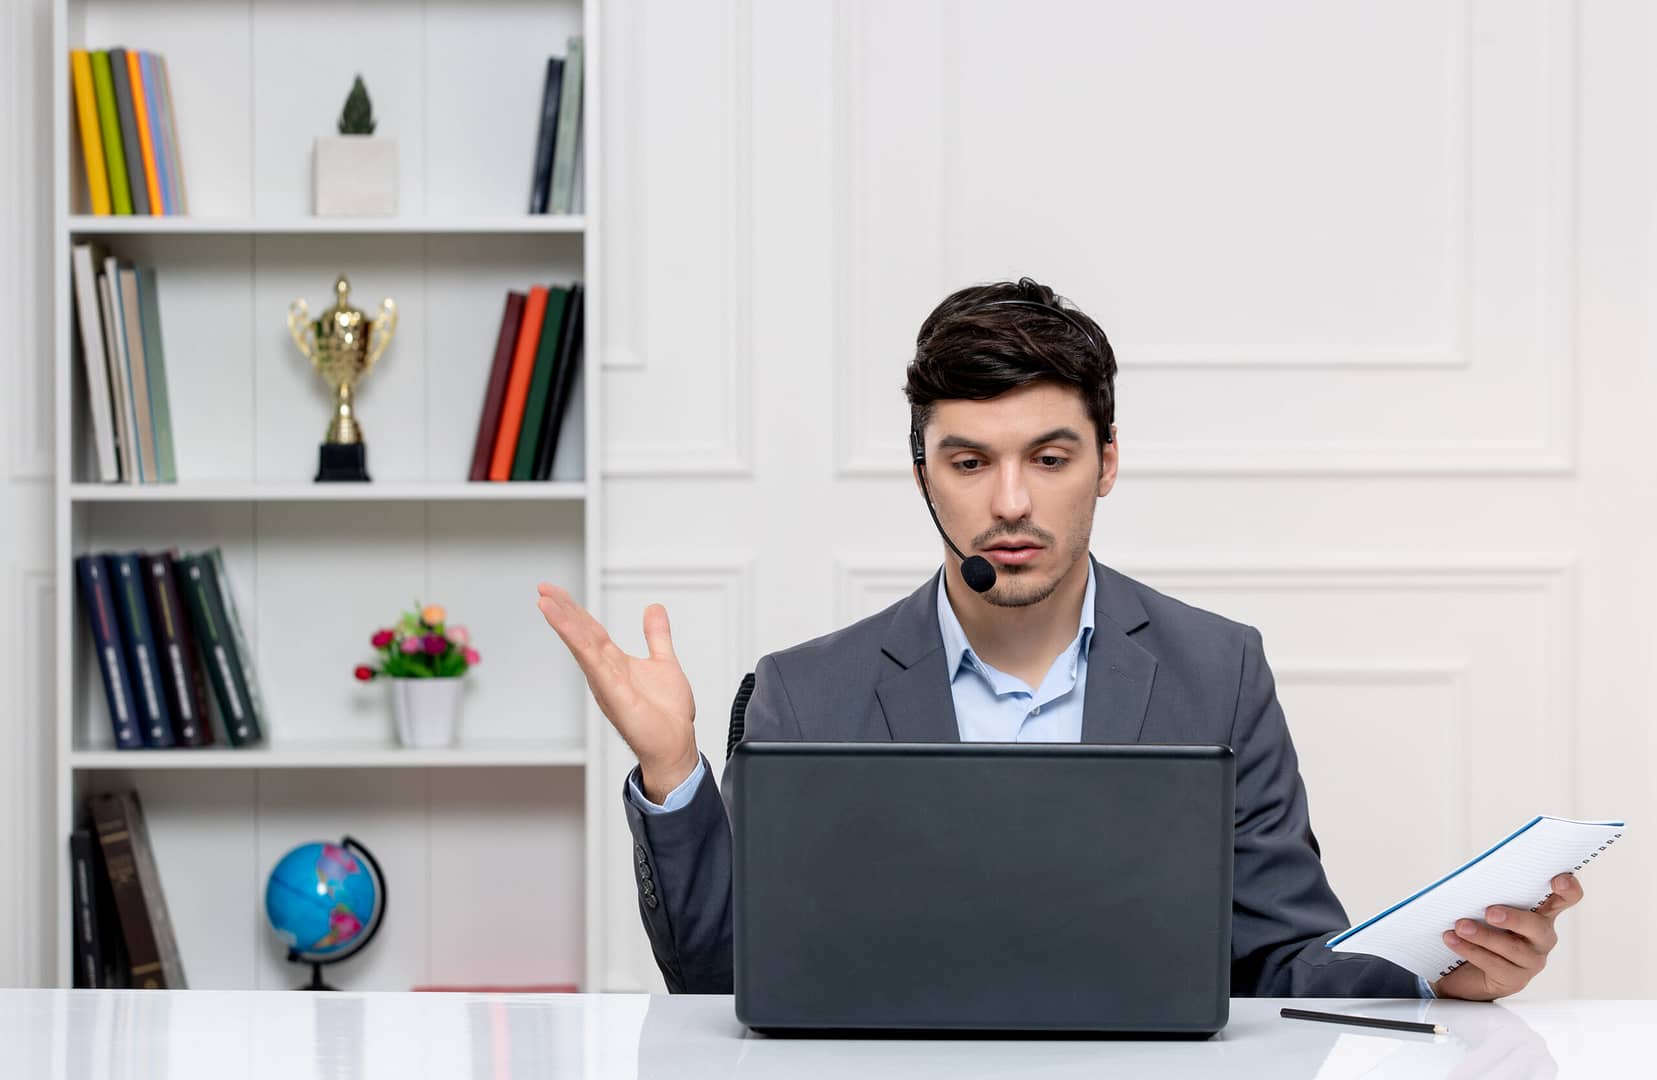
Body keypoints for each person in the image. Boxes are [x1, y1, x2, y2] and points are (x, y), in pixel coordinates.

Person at [537, 276, 1583, 1000]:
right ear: (921, 476)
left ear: (1106, 461)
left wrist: (1431, 971)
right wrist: (672, 768)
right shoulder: (803, 693)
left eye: (1047, 456)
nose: (1008, 502)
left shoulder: (1217, 672)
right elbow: (723, 985)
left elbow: (1277, 963)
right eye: (966, 461)